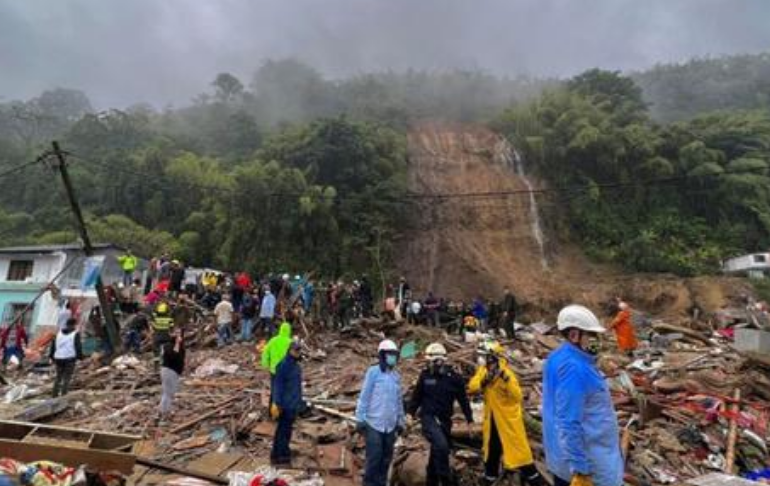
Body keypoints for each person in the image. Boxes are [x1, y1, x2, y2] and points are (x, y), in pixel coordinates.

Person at [542, 305, 623, 486]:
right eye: (592, 335)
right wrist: (580, 469)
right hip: (588, 466)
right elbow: (568, 422)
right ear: (573, 335)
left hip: (561, 461)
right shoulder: (575, 369)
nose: (597, 340)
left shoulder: (557, 357)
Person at [468, 341, 544, 486]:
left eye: (485, 356)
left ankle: (535, 479)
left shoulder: (507, 374)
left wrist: (506, 379)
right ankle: (489, 477)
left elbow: (517, 396)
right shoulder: (483, 371)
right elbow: (472, 387)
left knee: (519, 452)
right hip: (492, 419)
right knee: (492, 449)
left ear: (493, 357)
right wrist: (484, 382)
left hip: (508, 421)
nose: (482, 359)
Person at [408, 343, 473, 486]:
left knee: (438, 449)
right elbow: (417, 397)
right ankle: (446, 480)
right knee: (442, 446)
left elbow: (463, 399)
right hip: (429, 418)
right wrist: (410, 413)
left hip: (445, 420)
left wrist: (470, 419)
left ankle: (431, 480)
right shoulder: (425, 376)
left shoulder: (454, 378)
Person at [356, 339, 406, 486]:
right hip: (374, 424)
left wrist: (400, 421)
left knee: (386, 459)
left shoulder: (396, 376)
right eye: (390, 354)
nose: (393, 357)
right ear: (382, 355)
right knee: (374, 458)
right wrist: (360, 418)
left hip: (390, 425)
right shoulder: (373, 373)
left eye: (395, 355)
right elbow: (364, 397)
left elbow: (398, 401)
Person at [270, 341, 304, 466]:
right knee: (282, 432)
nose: (297, 353)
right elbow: (277, 385)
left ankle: (280, 453)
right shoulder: (283, 365)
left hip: (293, 404)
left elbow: (297, 387)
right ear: (289, 350)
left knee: (286, 431)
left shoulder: (296, 366)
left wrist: (300, 403)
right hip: (285, 404)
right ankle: (280, 456)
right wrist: (276, 402)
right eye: (295, 350)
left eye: (299, 350)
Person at [50, 318, 84, 397]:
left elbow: (53, 346)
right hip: (69, 358)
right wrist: (81, 357)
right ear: (74, 325)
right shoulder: (75, 334)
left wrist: (52, 356)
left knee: (58, 377)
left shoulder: (58, 333)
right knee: (67, 377)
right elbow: (78, 346)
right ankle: (64, 395)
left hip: (58, 358)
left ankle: (54, 394)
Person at [261, 320, 293, 401]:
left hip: (274, 369)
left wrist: (265, 364)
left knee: (274, 387)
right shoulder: (290, 342)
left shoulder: (273, 340)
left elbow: (265, 352)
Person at [159, 327, 185, 423]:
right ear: (171, 334)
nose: (178, 335)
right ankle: (164, 413)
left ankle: (165, 411)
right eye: (176, 333)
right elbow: (174, 355)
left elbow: (181, 357)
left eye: (179, 333)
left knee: (170, 392)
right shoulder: (167, 345)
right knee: (168, 393)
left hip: (174, 371)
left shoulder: (179, 345)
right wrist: (178, 343)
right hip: (169, 370)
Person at [151, 302, 174, 368]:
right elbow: (171, 328)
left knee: (156, 351)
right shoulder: (169, 319)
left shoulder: (156, 319)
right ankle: (167, 365)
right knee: (167, 350)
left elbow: (154, 327)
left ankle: (156, 366)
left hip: (157, 337)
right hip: (166, 337)